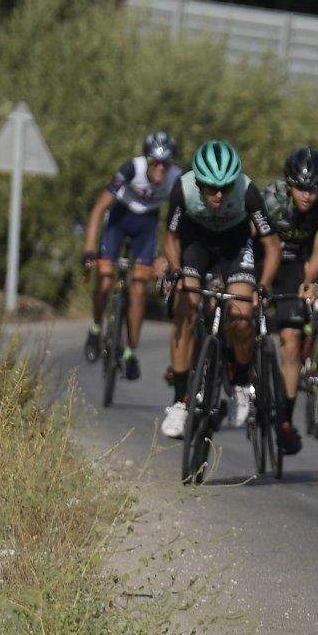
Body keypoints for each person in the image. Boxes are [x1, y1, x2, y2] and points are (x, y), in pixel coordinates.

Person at [156, 139, 281, 440]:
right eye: (211, 187)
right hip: (195, 243)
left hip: (234, 245)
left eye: (225, 188)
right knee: (186, 307)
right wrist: (175, 272)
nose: (218, 194)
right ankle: (180, 401)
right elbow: (172, 238)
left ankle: (239, 380)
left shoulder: (247, 191)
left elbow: (272, 244)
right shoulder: (183, 189)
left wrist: (263, 285)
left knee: (241, 314)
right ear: (198, 181)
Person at [259, 146, 318, 455]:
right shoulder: (271, 199)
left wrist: (308, 283)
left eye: (313, 188)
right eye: (300, 187)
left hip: (298, 264)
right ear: (287, 183)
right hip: (263, 255)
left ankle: (284, 419)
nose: (307, 195)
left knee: (292, 339)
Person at [81, 131, 181, 378]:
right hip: (119, 218)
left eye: (165, 164)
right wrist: (89, 249)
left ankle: (130, 351)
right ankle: (95, 329)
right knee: (104, 277)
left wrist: (168, 259)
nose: (160, 169)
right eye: (155, 163)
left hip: (147, 225)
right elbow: (99, 208)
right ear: (146, 160)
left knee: (138, 289)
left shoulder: (176, 178)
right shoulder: (130, 169)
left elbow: (181, 222)